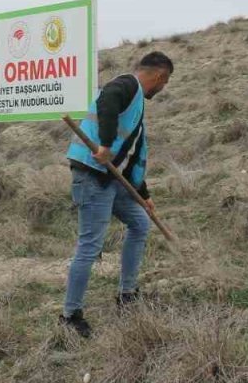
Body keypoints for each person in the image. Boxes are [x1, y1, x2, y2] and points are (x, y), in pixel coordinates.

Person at [59, 51, 174, 339]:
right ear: (160, 76)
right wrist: (106, 144)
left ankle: (127, 294)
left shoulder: (136, 106)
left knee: (140, 223)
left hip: (111, 179)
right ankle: (70, 316)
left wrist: (143, 194)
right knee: (90, 246)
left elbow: (134, 156)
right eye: (165, 82)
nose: (163, 88)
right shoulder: (126, 85)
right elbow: (106, 100)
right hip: (91, 175)